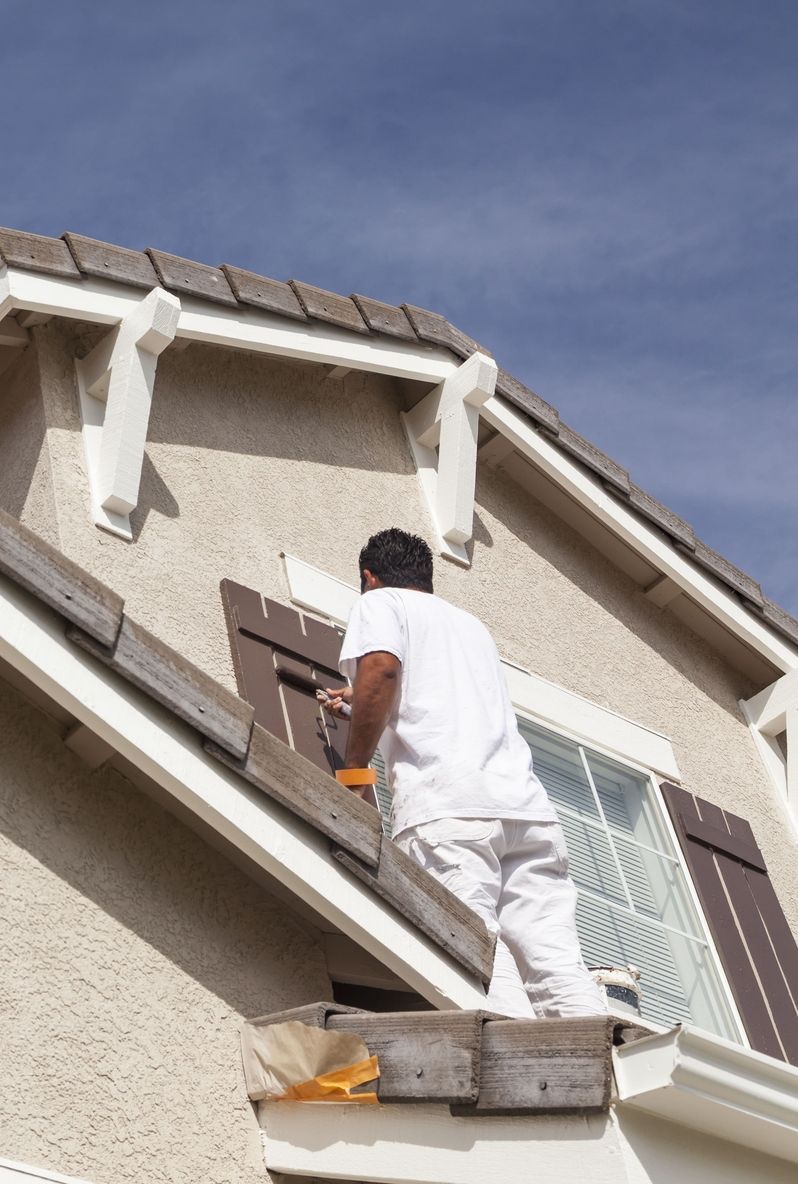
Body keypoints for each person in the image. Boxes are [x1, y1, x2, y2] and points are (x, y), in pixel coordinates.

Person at [323, 527, 605, 1019]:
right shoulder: (470, 626)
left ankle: (521, 1077)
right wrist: (361, 703)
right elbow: (437, 699)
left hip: (451, 813)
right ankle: (597, 1075)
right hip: (525, 813)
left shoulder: (379, 603)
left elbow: (384, 670)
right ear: (425, 579)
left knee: (476, 955)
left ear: (370, 577)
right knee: (555, 964)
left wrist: (354, 768)